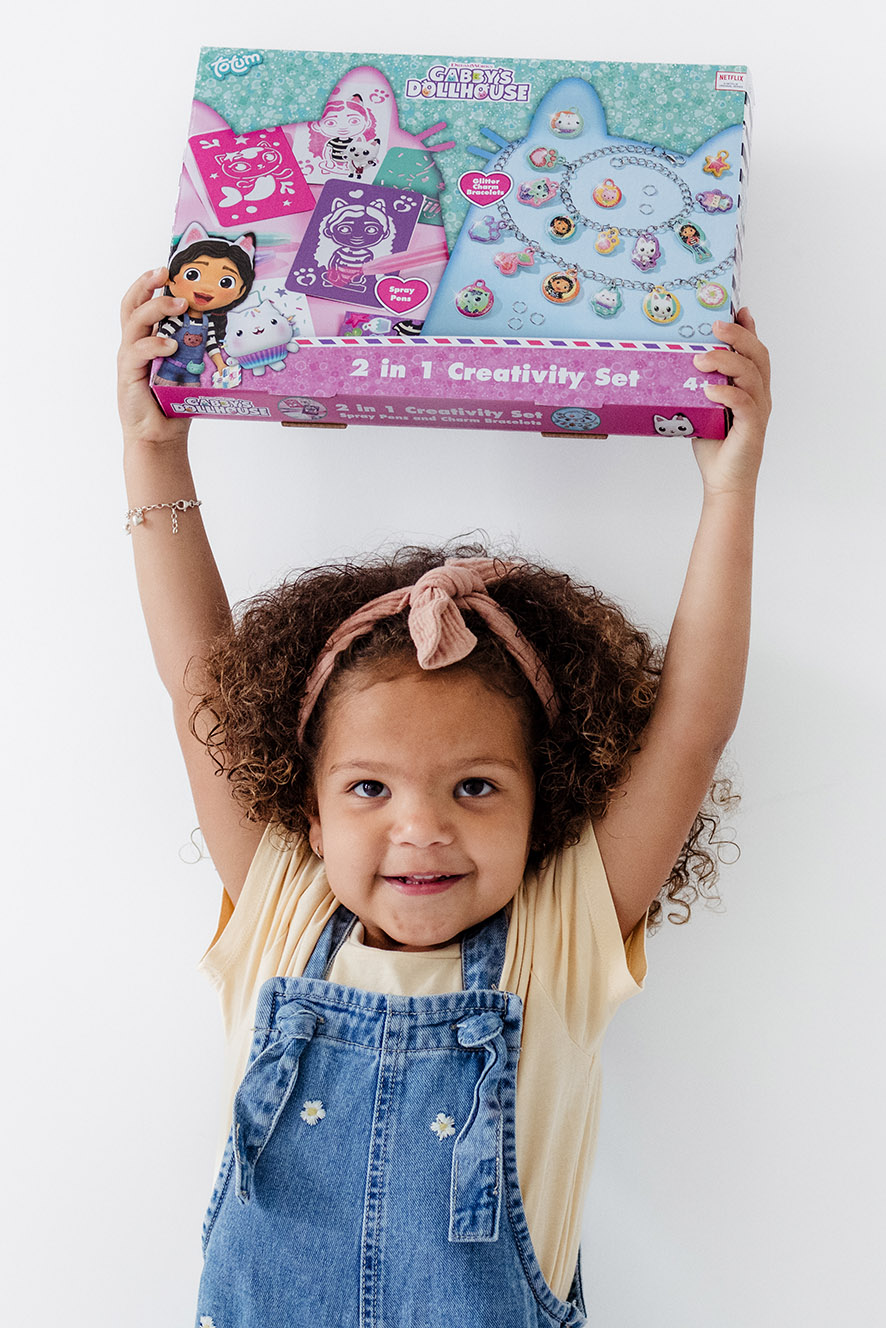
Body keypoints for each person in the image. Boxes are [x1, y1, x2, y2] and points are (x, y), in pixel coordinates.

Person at [118, 267, 771, 1328]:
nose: (419, 826)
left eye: (474, 786)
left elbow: (690, 726)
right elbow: (199, 680)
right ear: (310, 811)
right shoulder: (282, 901)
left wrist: (729, 490)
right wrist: (154, 449)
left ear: (543, 800)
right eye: (368, 787)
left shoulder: (561, 935)